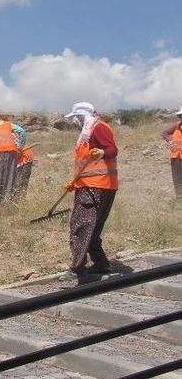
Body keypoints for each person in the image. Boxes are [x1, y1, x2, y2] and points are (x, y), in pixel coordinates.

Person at [60, 102, 119, 282]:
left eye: (76, 118)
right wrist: (75, 183)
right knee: (91, 228)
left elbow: (112, 150)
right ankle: (101, 264)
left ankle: (77, 269)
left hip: (95, 186)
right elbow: (86, 164)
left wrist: (101, 151)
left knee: (80, 227)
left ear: (82, 116)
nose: (74, 122)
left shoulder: (98, 127)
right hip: (93, 185)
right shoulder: (88, 132)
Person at [161, 105, 182, 199]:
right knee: (178, 180)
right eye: (180, 116)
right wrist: (171, 140)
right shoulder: (176, 126)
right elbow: (164, 133)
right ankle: (179, 201)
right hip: (177, 157)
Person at [11, 124, 33, 200]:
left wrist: (20, 148)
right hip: (14, 160)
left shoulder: (6, 127)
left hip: (23, 158)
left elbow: (22, 131)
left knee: (20, 183)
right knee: (13, 184)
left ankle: (19, 203)